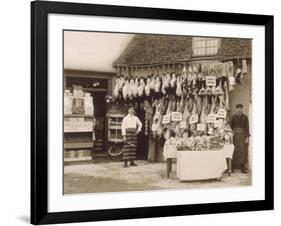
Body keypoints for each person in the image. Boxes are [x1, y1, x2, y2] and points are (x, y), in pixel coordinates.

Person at [230, 104, 250, 173]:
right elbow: (230, 127)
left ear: (242, 109)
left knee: (243, 151)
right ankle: (231, 167)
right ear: (236, 109)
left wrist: (247, 137)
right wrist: (231, 135)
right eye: (238, 108)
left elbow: (247, 127)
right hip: (235, 136)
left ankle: (243, 168)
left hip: (242, 136)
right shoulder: (233, 117)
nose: (239, 110)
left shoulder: (245, 117)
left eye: (240, 108)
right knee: (234, 150)